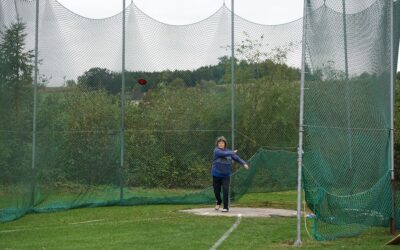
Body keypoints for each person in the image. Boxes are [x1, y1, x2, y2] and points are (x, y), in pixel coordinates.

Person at [211, 136, 249, 212]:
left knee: (225, 190)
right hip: (216, 175)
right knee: (216, 192)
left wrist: (244, 163)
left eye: (223, 143)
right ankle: (218, 201)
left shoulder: (228, 151)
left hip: (226, 175)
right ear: (217, 144)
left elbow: (237, 158)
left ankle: (225, 207)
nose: (221, 144)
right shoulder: (216, 151)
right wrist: (232, 152)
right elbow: (223, 153)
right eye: (220, 143)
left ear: (225, 144)